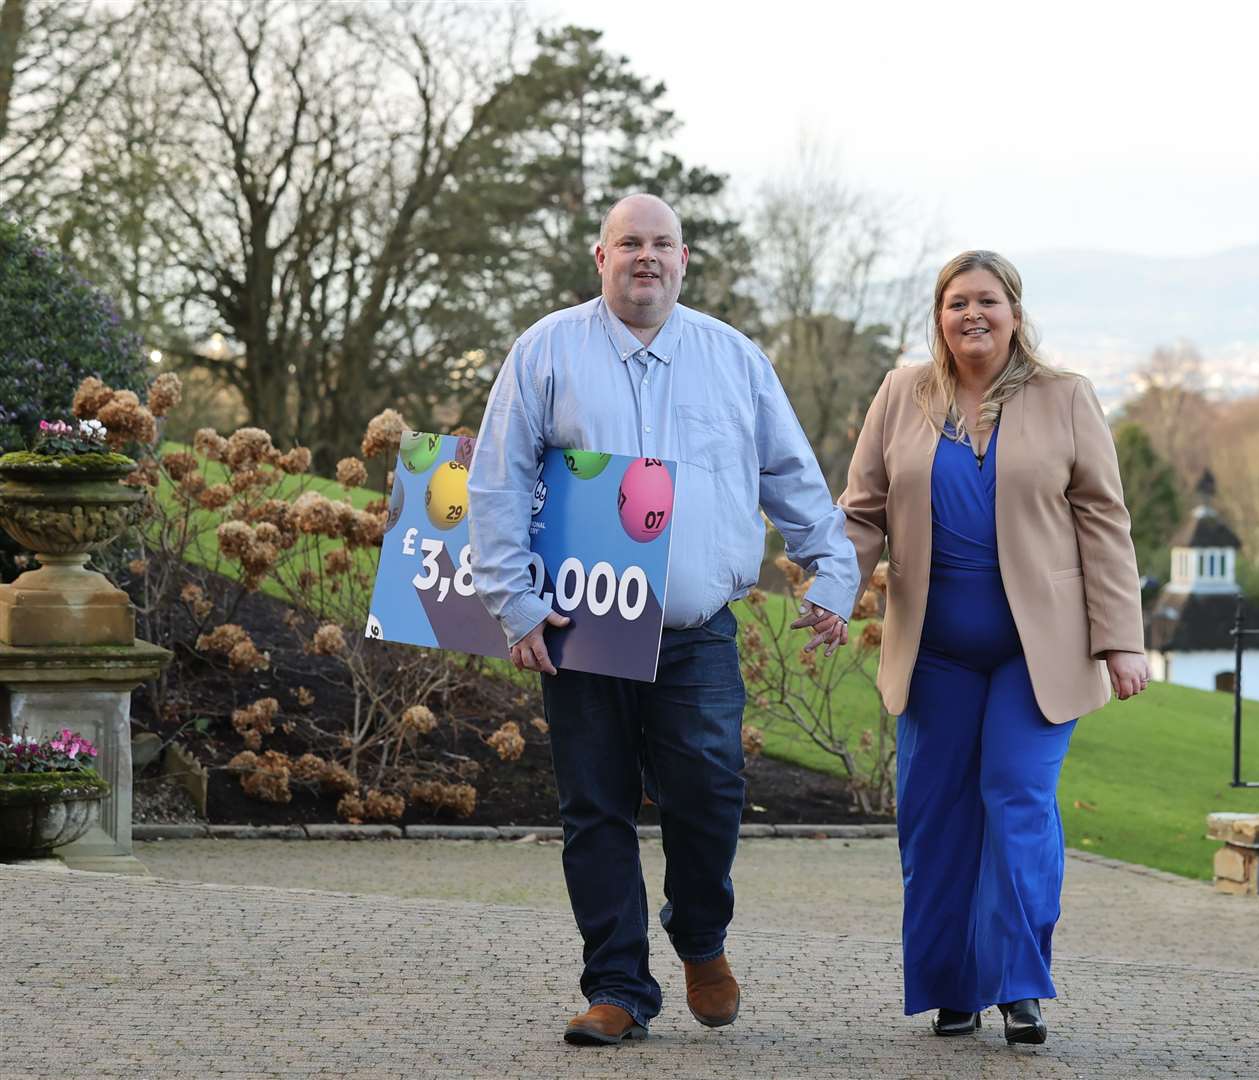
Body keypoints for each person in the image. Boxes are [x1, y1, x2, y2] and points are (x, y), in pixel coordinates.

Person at [468, 193, 858, 1047]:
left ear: (684, 261)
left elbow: (789, 473)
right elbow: (495, 482)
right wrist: (514, 603)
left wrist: (833, 569)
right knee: (595, 807)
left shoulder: (733, 358)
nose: (647, 257)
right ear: (599, 257)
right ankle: (617, 987)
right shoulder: (546, 351)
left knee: (710, 792)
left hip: (696, 630)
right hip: (583, 628)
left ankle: (700, 936)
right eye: (630, 243)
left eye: (663, 245)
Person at [838, 250, 1149, 1046]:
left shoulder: (1064, 398)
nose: (971, 315)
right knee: (935, 819)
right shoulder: (902, 394)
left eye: (986, 301)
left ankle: (1017, 985)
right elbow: (861, 512)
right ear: (938, 316)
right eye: (955, 303)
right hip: (933, 652)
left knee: (1016, 803)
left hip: (1035, 656)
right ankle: (952, 987)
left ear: (1014, 311)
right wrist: (831, 593)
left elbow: (1104, 524)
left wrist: (1121, 641)